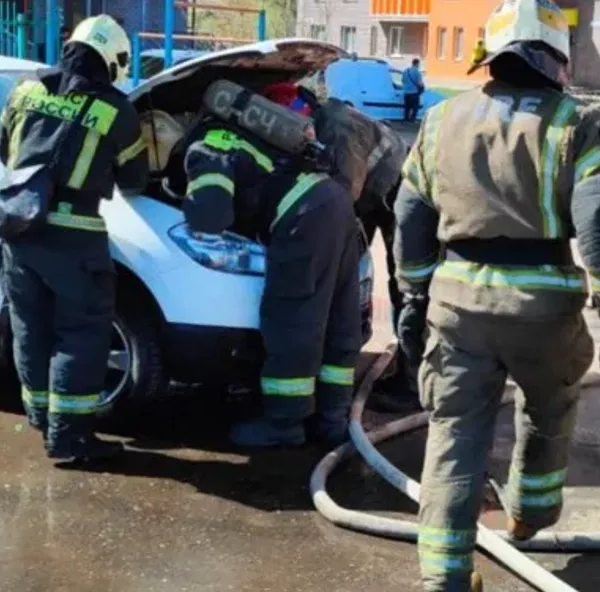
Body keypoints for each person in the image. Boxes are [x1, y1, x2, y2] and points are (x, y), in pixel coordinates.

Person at [394, 0, 600, 591]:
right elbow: (597, 217)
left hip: (458, 312)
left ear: (492, 53)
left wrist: (412, 295)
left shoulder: (441, 119)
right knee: (548, 408)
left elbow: (409, 212)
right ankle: (530, 515)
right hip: (544, 313)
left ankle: (442, 580)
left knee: (454, 435)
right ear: (554, 57)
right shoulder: (573, 123)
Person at [0, 14, 150, 467]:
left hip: (18, 232)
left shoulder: (26, 90)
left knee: (30, 328)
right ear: (114, 59)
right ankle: (68, 440)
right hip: (75, 239)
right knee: (80, 335)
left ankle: (42, 419)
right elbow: (135, 179)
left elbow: (7, 150)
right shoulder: (115, 110)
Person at [180, 89, 364, 448]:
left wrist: (186, 195)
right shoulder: (252, 132)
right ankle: (332, 421)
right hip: (336, 201)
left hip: (301, 216)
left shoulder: (205, 146)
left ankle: (284, 425)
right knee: (339, 320)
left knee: (293, 320)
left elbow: (210, 215)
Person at [262, 82, 416, 412]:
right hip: (374, 196)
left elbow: (342, 198)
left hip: (399, 194)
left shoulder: (337, 129)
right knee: (346, 276)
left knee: (408, 287)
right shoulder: (320, 122)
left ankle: (413, 388)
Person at [402, 58, 425, 123]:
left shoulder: (406, 71)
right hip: (414, 93)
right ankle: (412, 119)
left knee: (407, 107)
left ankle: (406, 119)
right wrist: (422, 86)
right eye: (418, 64)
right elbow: (419, 83)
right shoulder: (417, 72)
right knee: (415, 107)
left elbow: (403, 81)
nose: (419, 65)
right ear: (417, 64)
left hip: (406, 92)